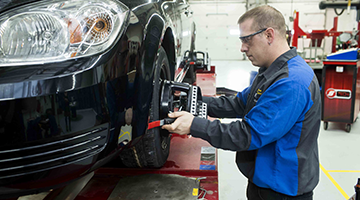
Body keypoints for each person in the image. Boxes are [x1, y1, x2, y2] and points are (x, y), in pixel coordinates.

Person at [162, 5, 321, 200]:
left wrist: (194, 125)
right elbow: (238, 104)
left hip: (281, 192)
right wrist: (192, 100)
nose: (242, 48)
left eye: (247, 39)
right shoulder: (273, 71)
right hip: (267, 183)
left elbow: (248, 134)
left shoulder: (291, 82)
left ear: (269, 35)